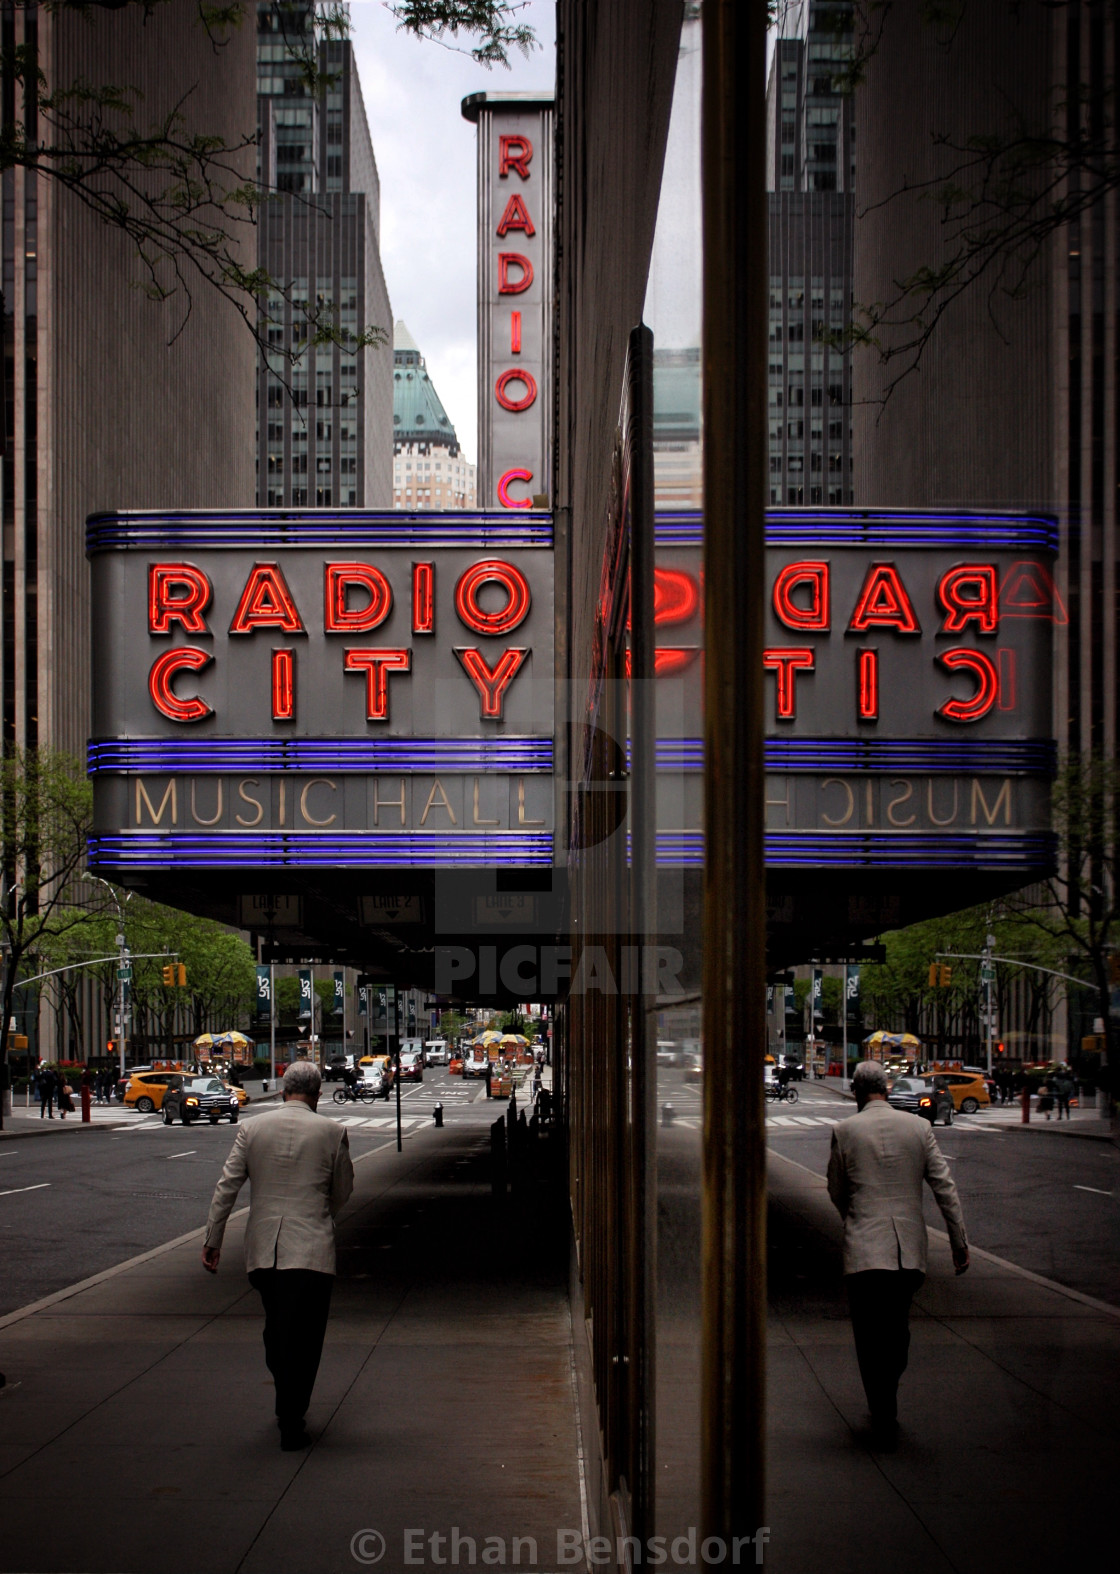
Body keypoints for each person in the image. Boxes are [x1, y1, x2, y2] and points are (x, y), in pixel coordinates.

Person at [201, 1061, 354, 1450]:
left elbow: (227, 1186)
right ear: (318, 1094)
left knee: (278, 1329)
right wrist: (322, 1215)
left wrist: (213, 1239)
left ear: (283, 1090)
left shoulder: (252, 1129)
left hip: (265, 1251)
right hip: (312, 1251)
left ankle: (287, 1399)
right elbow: (342, 1191)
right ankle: (291, 1414)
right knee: (307, 1337)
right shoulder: (333, 1133)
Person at [827, 1060, 969, 1450]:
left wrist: (854, 1217)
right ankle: (888, 1388)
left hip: (864, 1249)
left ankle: (880, 1399)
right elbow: (944, 1188)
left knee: (868, 1332)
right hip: (907, 1250)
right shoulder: (919, 1128)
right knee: (896, 1326)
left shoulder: (844, 1130)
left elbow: (836, 1189)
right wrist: (958, 1241)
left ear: (856, 1092)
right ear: (886, 1089)